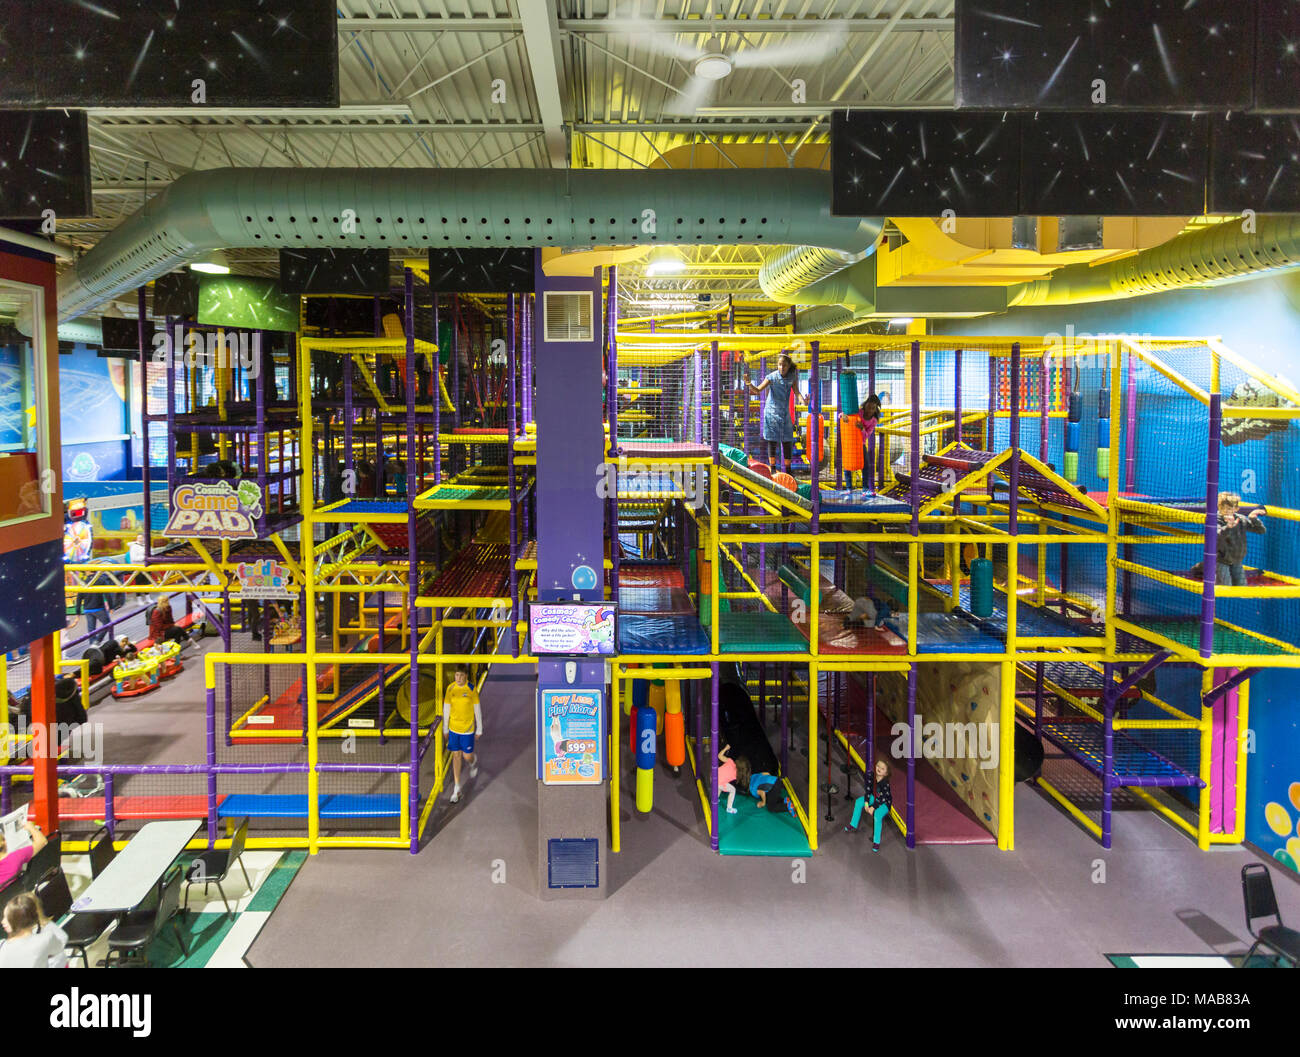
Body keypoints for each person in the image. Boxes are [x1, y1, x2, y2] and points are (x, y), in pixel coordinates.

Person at [749, 353, 803, 473]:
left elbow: (797, 392)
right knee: (772, 440)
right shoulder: (772, 377)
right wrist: (749, 384)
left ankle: (788, 470)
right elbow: (757, 390)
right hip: (771, 412)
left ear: (789, 366)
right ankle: (773, 468)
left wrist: (803, 400)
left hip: (784, 413)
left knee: (787, 440)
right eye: (779, 365)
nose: (781, 368)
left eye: (784, 365)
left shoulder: (791, 377)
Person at [443, 667, 482, 804]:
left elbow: (477, 710)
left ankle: (473, 762)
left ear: (466, 676)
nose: (458, 678)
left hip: (467, 730)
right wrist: (445, 728)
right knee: (456, 755)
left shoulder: (471, 689)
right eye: (456, 675)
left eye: (460, 675)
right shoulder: (450, 689)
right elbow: (446, 709)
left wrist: (479, 729)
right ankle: (457, 787)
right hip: (454, 729)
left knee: (467, 756)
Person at [0, 891, 68, 969]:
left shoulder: (2, 946)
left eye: (7, 918)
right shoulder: (47, 938)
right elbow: (59, 955)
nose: (2, 922)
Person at [844, 755, 893, 851]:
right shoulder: (871, 776)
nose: (879, 769)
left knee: (877, 815)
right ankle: (853, 824)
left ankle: (876, 841)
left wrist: (873, 807)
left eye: (882, 769)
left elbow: (882, 798)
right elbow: (868, 790)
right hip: (874, 797)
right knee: (859, 802)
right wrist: (866, 802)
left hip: (884, 803)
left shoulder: (885, 784)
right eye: (878, 766)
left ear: (886, 773)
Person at [1216, 492, 1265, 586]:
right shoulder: (1216, 519)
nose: (1226, 511)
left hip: (1236, 560)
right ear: (1219, 507)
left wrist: (1253, 518)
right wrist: (1228, 527)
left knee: (1242, 586)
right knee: (1225, 586)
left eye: (1229, 509)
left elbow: (1261, 530)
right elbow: (1217, 535)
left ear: (1236, 509)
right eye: (1223, 508)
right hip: (1221, 560)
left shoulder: (1241, 520)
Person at [839, 393, 882, 490]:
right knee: (847, 464)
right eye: (868, 407)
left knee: (866, 465)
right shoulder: (859, 412)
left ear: (875, 409)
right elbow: (842, 414)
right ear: (865, 405)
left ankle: (865, 488)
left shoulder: (874, 420)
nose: (869, 410)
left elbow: (867, 435)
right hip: (850, 441)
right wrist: (843, 416)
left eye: (872, 408)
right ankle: (849, 487)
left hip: (860, 443)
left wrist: (862, 428)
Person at [0, 819, 46, 889]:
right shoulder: (16, 856)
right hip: (13, 895)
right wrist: (31, 827)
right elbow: (42, 841)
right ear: (4, 842)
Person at [717, 743, 739, 814]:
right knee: (733, 790)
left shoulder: (730, 761)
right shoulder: (737, 774)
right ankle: (729, 808)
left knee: (721, 783)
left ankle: (715, 798)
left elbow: (719, 756)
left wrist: (726, 748)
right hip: (718, 782)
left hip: (713, 775)